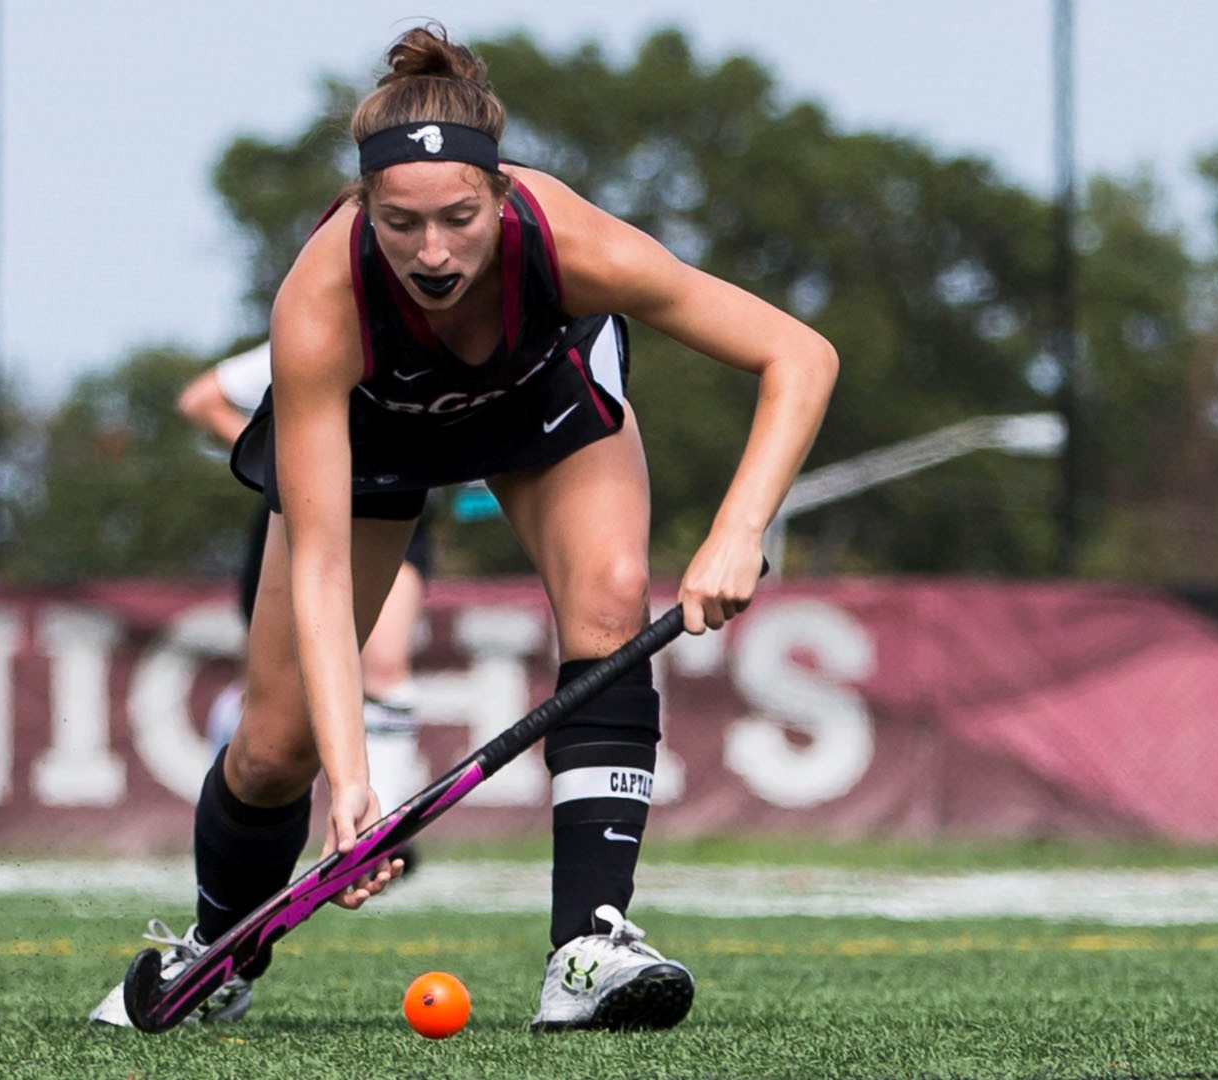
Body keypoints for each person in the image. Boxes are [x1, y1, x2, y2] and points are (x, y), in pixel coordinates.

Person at [92, 25, 834, 1032]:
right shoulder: (320, 301)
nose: (432, 252)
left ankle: (590, 946)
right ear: (364, 206)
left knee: (613, 602)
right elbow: (316, 567)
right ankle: (218, 949)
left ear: (501, 194)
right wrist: (353, 787)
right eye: (400, 223)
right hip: (374, 432)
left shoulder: (573, 243)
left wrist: (740, 529)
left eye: (458, 218)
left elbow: (799, 355)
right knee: (273, 751)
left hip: (535, 402)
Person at [178, 342, 428, 827]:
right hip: (300, 522)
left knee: (384, 664)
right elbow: (201, 400)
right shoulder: (321, 333)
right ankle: (230, 823)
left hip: (402, 508)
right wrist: (286, 467)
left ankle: (380, 831)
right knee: (270, 718)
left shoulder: (472, 337)